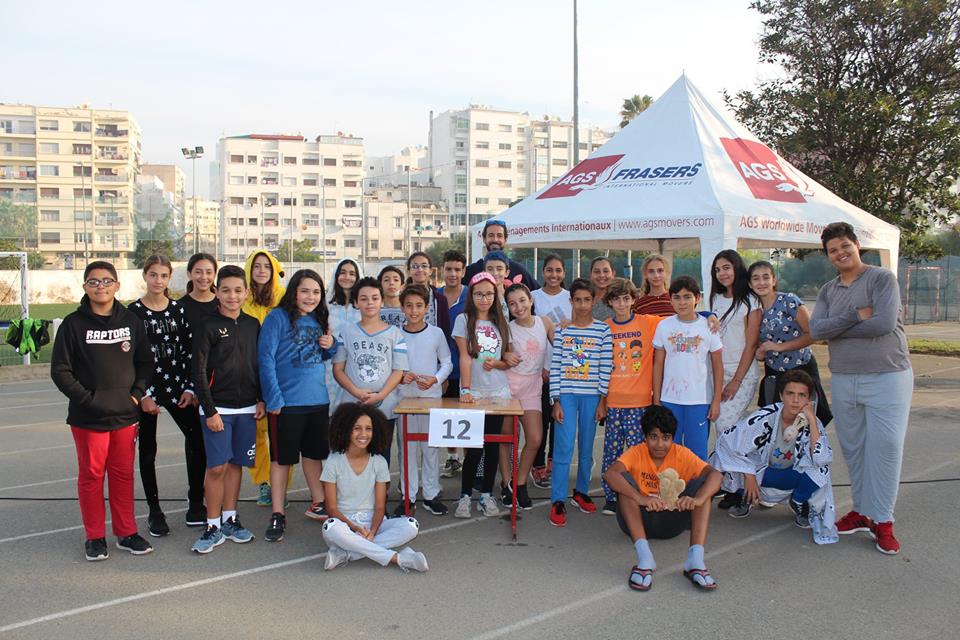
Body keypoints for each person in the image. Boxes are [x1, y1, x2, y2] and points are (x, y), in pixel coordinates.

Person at [809, 222, 912, 555]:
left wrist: (837, 328)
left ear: (856, 245)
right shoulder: (828, 290)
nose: (840, 253)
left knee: (886, 448)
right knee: (854, 449)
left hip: (888, 375)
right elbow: (817, 329)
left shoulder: (882, 279)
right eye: (833, 251)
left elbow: (883, 323)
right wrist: (856, 316)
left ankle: (883, 520)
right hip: (844, 377)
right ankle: (862, 511)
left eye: (844, 246)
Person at [51, 260, 155, 561]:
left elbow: (145, 363)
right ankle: (95, 537)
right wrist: (88, 399)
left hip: (125, 415)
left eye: (107, 281)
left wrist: (135, 396)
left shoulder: (131, 321)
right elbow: (60, 370)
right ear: (85, 287)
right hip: (88, 417)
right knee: (92, 476)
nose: (101, 286)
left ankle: (126, 532)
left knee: (122, 475)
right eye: (94, 282)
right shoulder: (73, 324)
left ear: (117, 286)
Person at [603, 406, 723, 591]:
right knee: (623, 482)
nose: (660, 444)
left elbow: (716, 475)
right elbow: (610, 474)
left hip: (671, 522)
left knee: (704, 485)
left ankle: (695, 560)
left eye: (665, 438)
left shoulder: (681, 453)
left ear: (672, 438)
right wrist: (641, 498)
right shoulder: (637, 452)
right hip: (639, 519)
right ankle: (645, 559)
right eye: (653, 437)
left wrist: (698, 499)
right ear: (645, 437)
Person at [710, 370, 838, 543]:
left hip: (789, 474)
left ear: (809, 399)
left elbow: (822, 458)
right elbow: (727, 443)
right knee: (723, 461)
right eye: (790, 393)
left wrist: (812, 421)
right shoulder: (765, 417)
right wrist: (748, 475)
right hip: (761, 471)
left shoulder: (812, 423)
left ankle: (799, 500)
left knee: (821, 470)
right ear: (781, 395)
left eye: (802, 395)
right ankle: (744, 497)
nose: (795, 400)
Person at [128, 255, 206, 536]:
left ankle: (196, 500)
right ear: (145, 276)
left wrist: (189, 387)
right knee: (148, 451)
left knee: (198, 441)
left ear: (169, 278)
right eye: (153, 275)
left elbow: (188, 352)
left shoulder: (178, 310)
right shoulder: (133, 313)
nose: (158, 281)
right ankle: (154, 510)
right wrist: (144, 394)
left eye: (163, 276)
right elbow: (131, 357)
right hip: (147, 389)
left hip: (176, 386)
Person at [258, 269, 337, 542]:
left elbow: (326, 353)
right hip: (286, 404)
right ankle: (278, 513)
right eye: (305, 290)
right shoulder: (277, 318)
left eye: (316, 292)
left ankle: (318, 503)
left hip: (317, 400)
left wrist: (331, 344)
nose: (310, 297)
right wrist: (274, 398)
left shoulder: (319, 318)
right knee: (282, 459)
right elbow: (265, 359)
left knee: (314, 455)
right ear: (293, 291)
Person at [190, 265, 265, 554]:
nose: (232, 296)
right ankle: (212, 524)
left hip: (246, 408)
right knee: (217, 466)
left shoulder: (251, 325)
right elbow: (197, 372)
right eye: (225, 290)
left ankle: (230, 519)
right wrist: (210, 411)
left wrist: (260, 399)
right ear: (216, 292)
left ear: (246, 292)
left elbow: (257, 366)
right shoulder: (207, 326)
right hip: (217, 410)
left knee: (236, 465)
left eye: (237, 290)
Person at [320, 403, 428, 572]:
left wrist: (372, 531)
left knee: (411, 525)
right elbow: (331, 508)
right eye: (357, 428)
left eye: (368, 429)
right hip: (344, 524)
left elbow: (379, 507)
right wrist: (354, 527)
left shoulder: (379, 462)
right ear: (346, 430)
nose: (363, 434)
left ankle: (347, 554)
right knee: (330, 526)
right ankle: (398, 559)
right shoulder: (333, 461)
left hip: (372, 523)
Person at [548, 278, 612, 527]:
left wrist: (602, 400)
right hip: (567, 396)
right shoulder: (562, 330)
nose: (583, 305)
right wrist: (556, 400)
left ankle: (581, 492)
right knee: (563, 448)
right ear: (571, 301)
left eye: (587, 300)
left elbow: (606, 365)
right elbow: (556, 367)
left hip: (591, 397)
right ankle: (557, 499)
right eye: (578, 300)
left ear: (593, 300)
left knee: (586, 449)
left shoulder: (603, 330)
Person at [599, 278, 665, 516]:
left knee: (639, 453)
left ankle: (642, 493)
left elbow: (681, 317)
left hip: (640, 403)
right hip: (615, 402)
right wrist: (602, 402)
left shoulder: (647, 323)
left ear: (633, 300)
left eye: (626, 298)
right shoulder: (604, 328)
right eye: (616, 299)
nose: (621, 303)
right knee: (612, 453)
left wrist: (707, 315)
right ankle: (611, 497)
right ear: (609, 302)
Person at [453, 272, 512, 519]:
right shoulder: (463, 319)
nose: (484, 298)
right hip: (474, 393)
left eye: (489, 294)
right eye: (479, 294)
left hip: (498, 392)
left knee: (493, 445)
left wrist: (503, 362)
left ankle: (487, 494)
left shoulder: (502, 320)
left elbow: (507, 358)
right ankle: (465, 496)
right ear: (471, 295)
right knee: (474, 448)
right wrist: (466, 390)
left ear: (495, 295)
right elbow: (465, 357)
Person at [332, 276, 408, 466]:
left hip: (384, 407)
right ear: (356, 302)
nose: (370, 303)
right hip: (352, 405)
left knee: (381, 457)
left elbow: (398, 371)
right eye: (364, 299)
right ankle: (355, 495)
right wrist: (356, 392)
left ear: (382, 301)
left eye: (374, 298)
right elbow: (338, 370)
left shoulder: (395, 334)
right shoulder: (346, 333)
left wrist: (380, 394)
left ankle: (380, 496)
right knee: (353, 455)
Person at [748, 260, 832, 426]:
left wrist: (779, 347)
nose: (762, 282)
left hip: (801, 369)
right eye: (756, 279)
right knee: (778, 425)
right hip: (775, 374)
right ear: (750, 284)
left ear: (774, 280)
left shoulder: (788, 301)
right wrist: (760, 354)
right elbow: (761, 347)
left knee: (806, 423)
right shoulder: (753, 310)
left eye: (766, 277)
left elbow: (812, 334)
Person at [396, 284, 453, 516]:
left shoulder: (436, 333)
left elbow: (447, 363)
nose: (414, 310)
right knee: (406, 449)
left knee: (430, 448)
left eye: (419, 305)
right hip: (405, 400)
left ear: (427, 308)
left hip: (431, 399)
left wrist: (435, 380)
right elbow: (391, 365)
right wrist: (401, 375)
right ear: (402, 308)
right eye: (409, 306)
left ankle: (430, 494)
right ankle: (408, 496)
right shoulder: (395, 334)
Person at [652, 276, 723, 460]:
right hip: (669, 400)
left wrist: (716, 400)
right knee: (669, 450)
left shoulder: (708, 327)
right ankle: (671, 489)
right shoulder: (664, 326)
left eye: (687, 297)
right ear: (670, 299)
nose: (682, 302)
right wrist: (657, 399)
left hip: (699, 400)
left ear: (697, 298)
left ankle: (697, 489)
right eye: (676, 297)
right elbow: (658, 364)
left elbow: (717, 366)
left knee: (697, 453)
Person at [242, 250, 287, 509]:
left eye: (266, 266)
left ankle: (280, 484)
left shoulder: (283, 298)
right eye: (256, 266)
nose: (261, 271)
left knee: (280, 433)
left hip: (279, 374)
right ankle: (263, 483)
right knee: (258, 433)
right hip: (249, 375)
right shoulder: (243, 298)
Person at [503, 283, 554, 510]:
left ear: (530, 300)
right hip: (508, 387)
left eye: (522, 301)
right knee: (506, 439)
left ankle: (520, 482)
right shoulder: (507, 328)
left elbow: (562, 346)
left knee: (534, 438)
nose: (518, 306)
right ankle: (507, 485)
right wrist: (505, 353)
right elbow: (500, 353)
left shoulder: (545, 322)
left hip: (533, 385)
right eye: (512, 303)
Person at [709, 250, 762, 437]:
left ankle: (743, 461)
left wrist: (736, 381)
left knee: (725, 423)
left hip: (742, 373)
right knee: (721, 426)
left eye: (726, 268)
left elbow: (751, 345)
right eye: (717, 270)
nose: (722, 273)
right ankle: (729, 465)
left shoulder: (751, 300)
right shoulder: (715, 298)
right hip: (718, 372)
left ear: (736, 268)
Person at [530, 254, 571, 488]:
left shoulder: (571, 298)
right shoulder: (533, 297)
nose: (553, 275)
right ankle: (537, 466)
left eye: (558, 270)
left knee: (560, 420)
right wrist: (542, 367)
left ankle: (554, 461)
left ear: (564, 273)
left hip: (565, 371)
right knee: (541, 420)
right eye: (549, 270)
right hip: (539, 371)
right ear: (542, 272)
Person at [439, 250, 468, 478]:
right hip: (441, 369)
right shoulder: (434, 296)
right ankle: (452, 457)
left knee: (468, 415)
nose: (452, 273)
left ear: (463, 271)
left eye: (457, 269)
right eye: (449, 269)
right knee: (447, 415)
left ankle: (470, 459)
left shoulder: (471, 296)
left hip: (467, 367)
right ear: (442, 270)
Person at [462, 218, 539, 289]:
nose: (495, 239)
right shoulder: (470, 272)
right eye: (491, 235)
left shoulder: (518, 270)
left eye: (499, 236)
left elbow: (538, 293)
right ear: (484, 239)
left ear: (505, 239)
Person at [327, 258, 362, 411]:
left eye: (352, 273)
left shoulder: (363, 305)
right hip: (329, 366)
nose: (347, 277)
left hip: (356, 367)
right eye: (343, 272)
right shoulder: (326, 304)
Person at [406, 251, 451, 333]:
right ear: (408, 271)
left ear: (430, 270)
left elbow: (445, 330)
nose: (420, 269)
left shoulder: (441, 300)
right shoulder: (400, 298)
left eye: (424, 266)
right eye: (415, 266)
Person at [179, 253, 220, 336]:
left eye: (209, 272)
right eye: (198, 272)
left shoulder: (223, 304)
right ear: (189, 274)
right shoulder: (179, 307)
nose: (204, 277)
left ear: (215, 274)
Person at [482, 250, 513, 318]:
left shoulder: (512, 296)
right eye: (490, 269)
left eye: (499, 269)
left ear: (506, 273)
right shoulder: (479, 298)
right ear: (484, 272)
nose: (495, 273)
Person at [589, 256, 616, 321]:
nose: (601, 275)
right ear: (590, 275)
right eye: (597, 271)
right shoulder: (583, 299)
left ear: (613, 274)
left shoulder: (620, 300)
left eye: (606, 271)